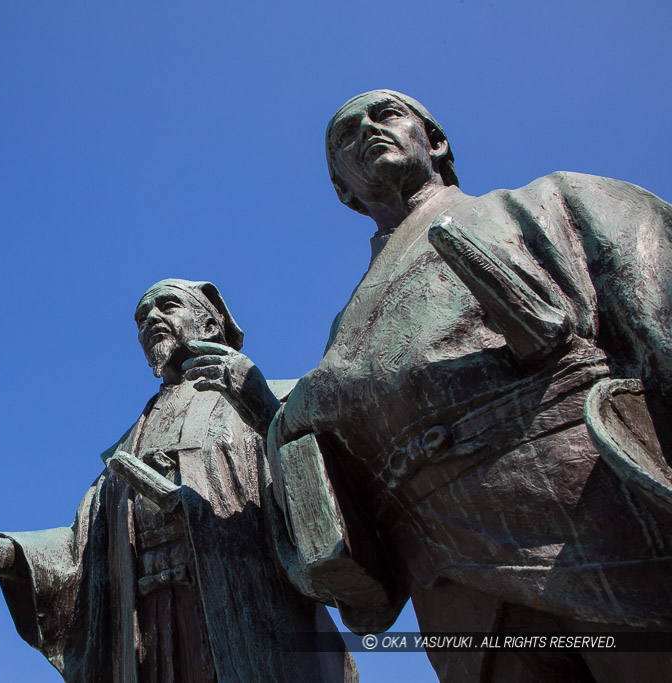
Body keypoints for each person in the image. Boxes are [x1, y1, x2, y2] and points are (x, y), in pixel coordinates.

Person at [269, 89, 672, 681]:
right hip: (455, 587)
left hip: (592, 518)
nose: (366, 131)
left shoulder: (549, 202)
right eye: (345, 136)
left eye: (385, 114)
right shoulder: (346, 328)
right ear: (344, 191)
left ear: (435, 140)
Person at [0, 279, 356, 683]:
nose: (150, 318)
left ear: (210, 324)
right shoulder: (128, 443)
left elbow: (329, 499)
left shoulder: (273, 395)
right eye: (140, 317)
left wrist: (266, 416)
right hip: (146, 634)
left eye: (166, 305)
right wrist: (6, 552)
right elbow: (82, 550)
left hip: (247, 618)